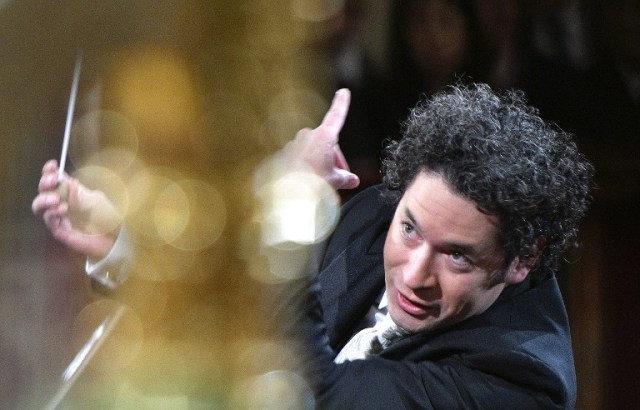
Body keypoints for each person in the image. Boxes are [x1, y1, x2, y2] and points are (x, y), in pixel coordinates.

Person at [34, 84, 594, 408]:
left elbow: (312, 393)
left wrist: (288, 210)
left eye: (458, 257)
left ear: (522, 258)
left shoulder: (522, 384)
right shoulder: (376, 215)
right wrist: (124, 245)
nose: (414, 273)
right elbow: (246, 319)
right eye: (411, 230)